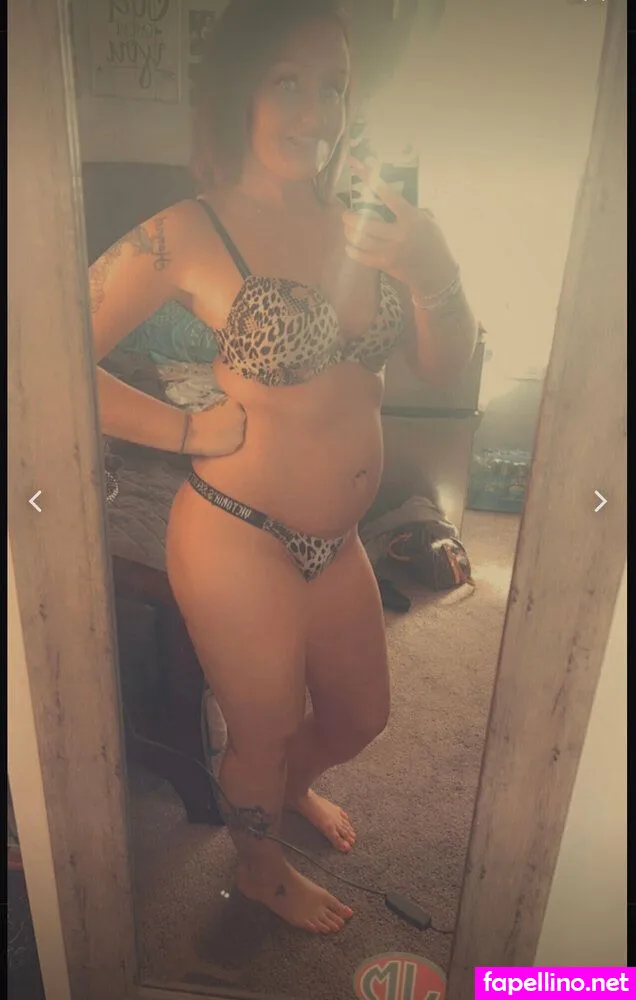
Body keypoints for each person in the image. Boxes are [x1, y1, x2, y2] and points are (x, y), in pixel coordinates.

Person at [90, 0, 477, 935]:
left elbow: (444, 368)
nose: (317, 111)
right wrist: (182, 430)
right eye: (289, 83)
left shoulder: (370, 224)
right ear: (241, 94)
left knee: (359, 717)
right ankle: (258, 867)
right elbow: (37, 350)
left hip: (337, 537)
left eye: (334, 86)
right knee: (259, 731)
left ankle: (281, 790)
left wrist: (432, 268)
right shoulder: (187, 230)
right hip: (237, 532)